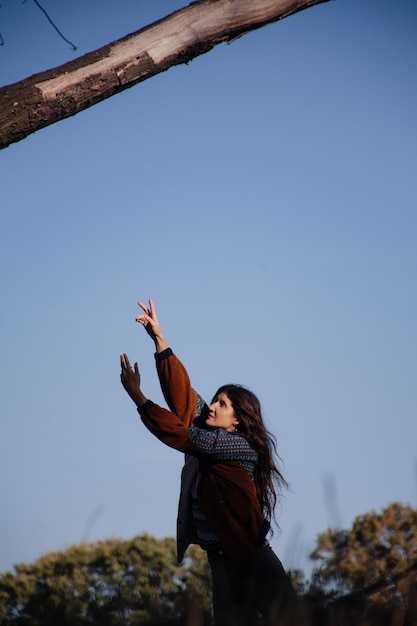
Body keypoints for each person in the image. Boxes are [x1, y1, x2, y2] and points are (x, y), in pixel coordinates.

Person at [120, 299, 295, 626]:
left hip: (252, 560)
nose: (212, 406)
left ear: (238, 420)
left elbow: (182, 434)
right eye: (214, 400)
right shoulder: (212, 430)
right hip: (222, 561)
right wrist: (160, 340)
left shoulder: (232, 445)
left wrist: (140, 400)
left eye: (222, 403)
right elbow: (185, 397)